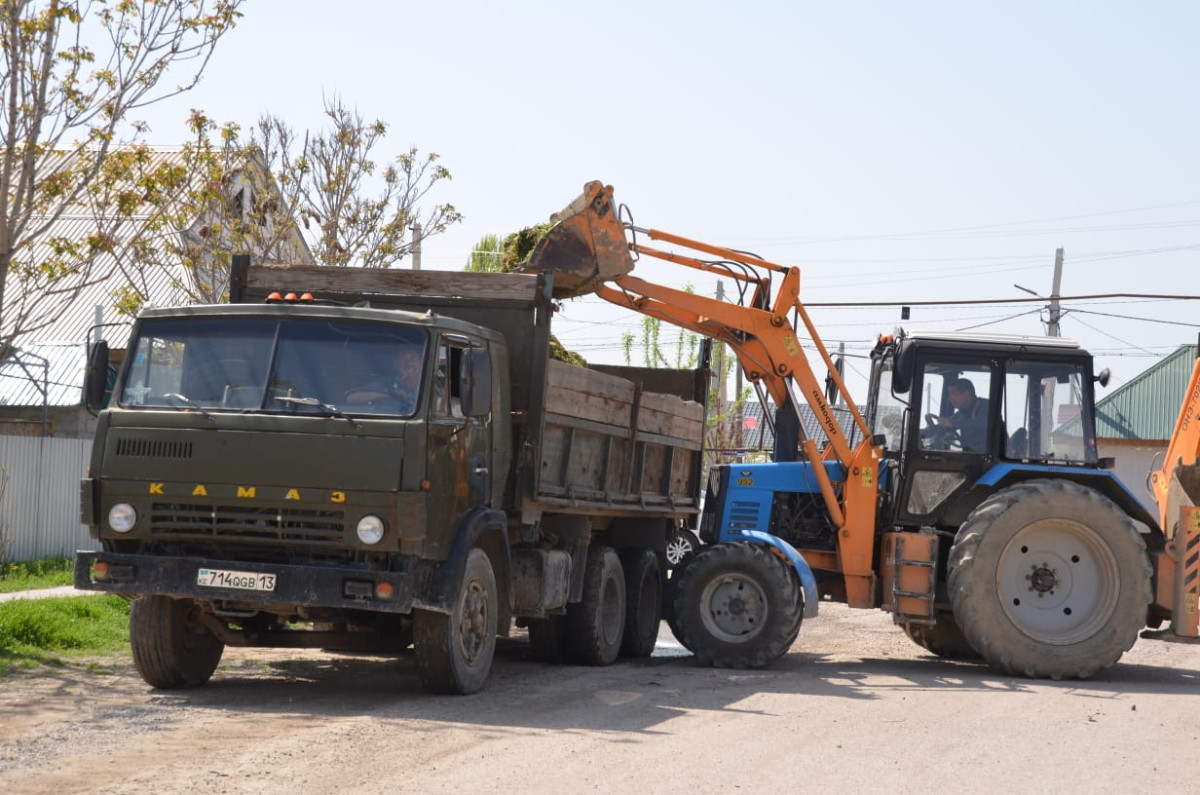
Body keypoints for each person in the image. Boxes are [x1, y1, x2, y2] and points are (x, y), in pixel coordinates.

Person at [345, 346, 422, 413]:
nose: (408, 362)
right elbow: (351, 398)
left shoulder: (428, 384)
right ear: (395, 363)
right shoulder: (386, 383)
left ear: (421, 362)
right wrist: (389, 393)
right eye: (403, 358)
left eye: (413, 358)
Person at [937, 377, 989, 452]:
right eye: (949, 394)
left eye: (953, 394)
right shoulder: (962, 412)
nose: (950, 398)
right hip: (971, 453)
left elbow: (983, 425)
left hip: (988, 454)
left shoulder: (985, 406)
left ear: (967, 394)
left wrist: (953, 423)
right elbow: (947, 424)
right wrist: (921, 433)